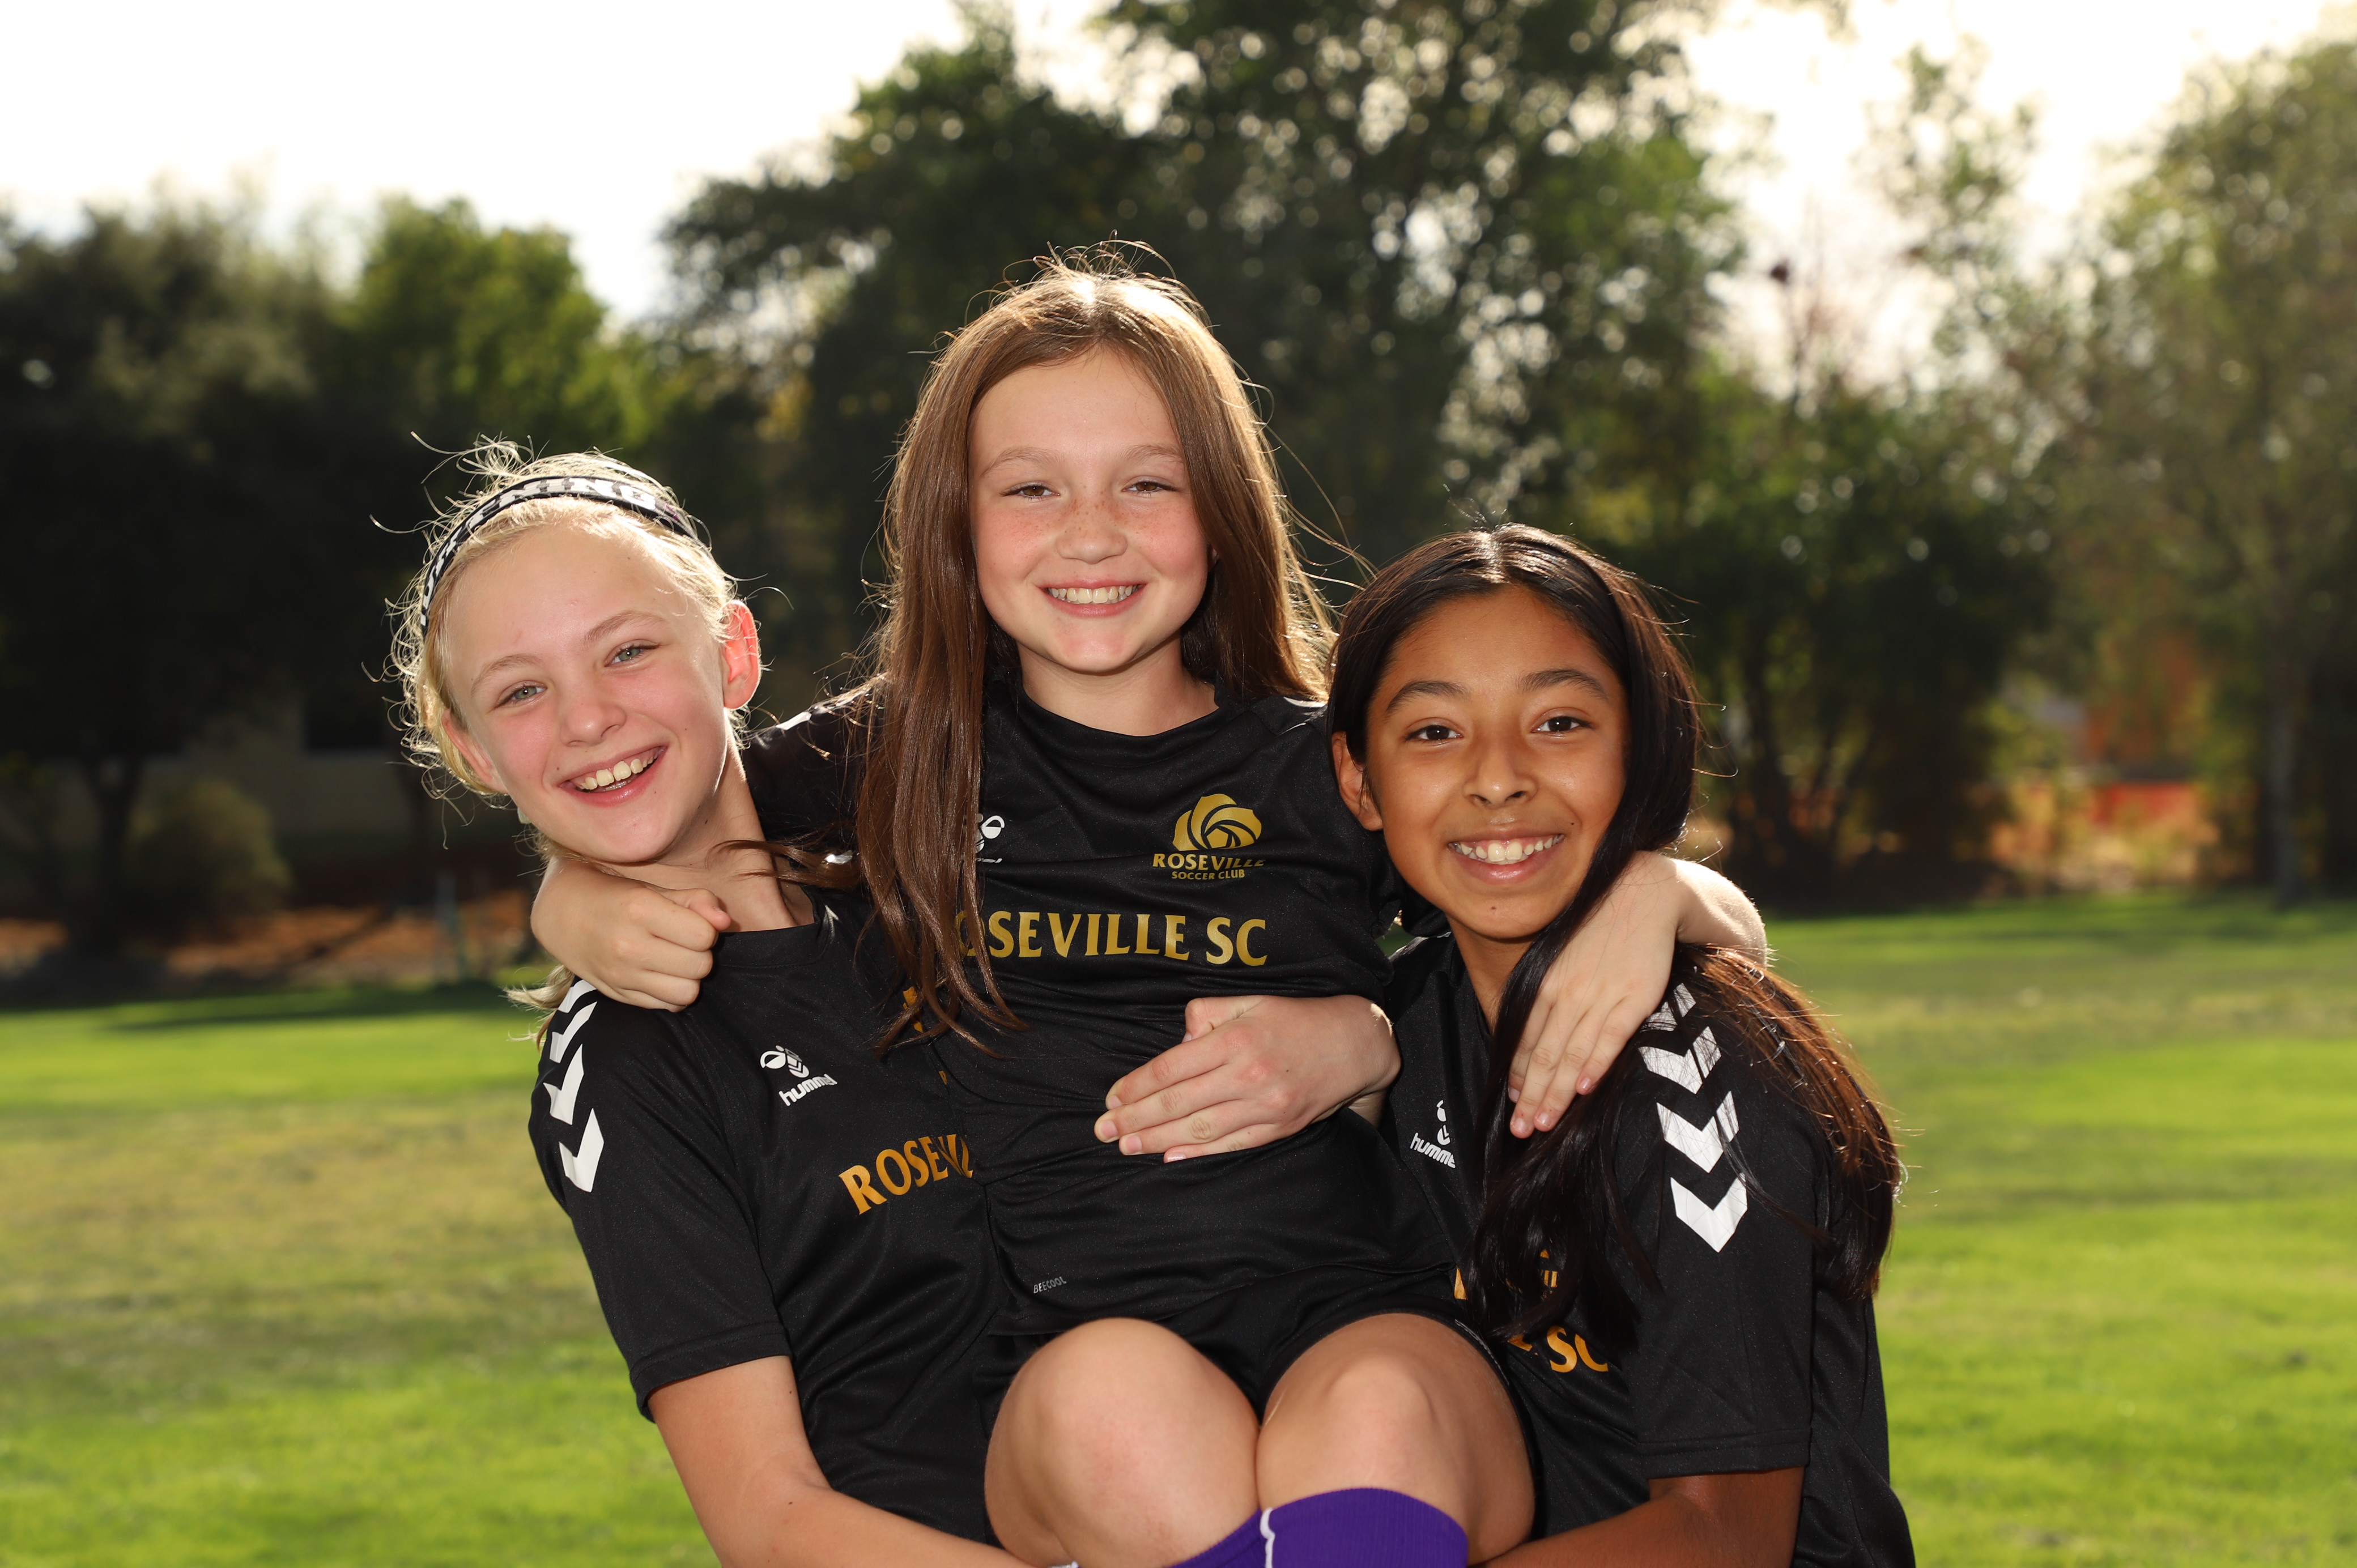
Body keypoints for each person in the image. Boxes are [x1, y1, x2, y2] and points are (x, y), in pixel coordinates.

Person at [529, 253, 1769, 1566]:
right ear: (956, 522)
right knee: (1113, 1404)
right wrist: (569, 893)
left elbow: (1662, 925)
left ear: (1220, 511)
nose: (1091, 532)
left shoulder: (1326, 764)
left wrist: (1653, 894)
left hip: (1363, 1315)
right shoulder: (902, 756)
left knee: (1380, 1412)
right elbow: (662, 788)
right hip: (1073, 1362)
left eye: (1147, 483)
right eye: (1031, 489)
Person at [388, 449, 1021, 1565]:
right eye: (522, 691)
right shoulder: (623, 1062)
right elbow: (768, 1518)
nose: (588, 718)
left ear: (732, 652)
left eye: (628, 650)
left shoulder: (911, 874)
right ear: (473, 752)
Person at [1327, 525, 1915, 1566]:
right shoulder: (1391, 1027)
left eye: (1559, 723)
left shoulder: (1702, 1078)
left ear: (1641, 748)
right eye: (1434, 732)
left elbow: (1728, 1536)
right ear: (1359, 780)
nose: (1498, 779)